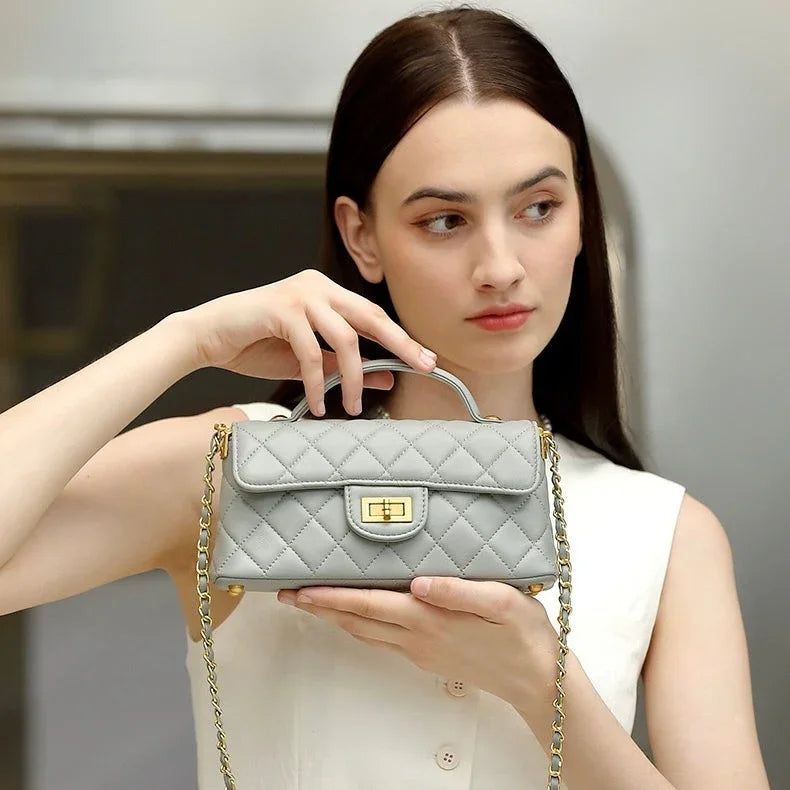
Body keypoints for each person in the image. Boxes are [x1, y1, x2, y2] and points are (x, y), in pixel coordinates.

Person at [0, 6, 770, 790]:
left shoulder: (665, 533)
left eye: (538, 207)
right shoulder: (240, 470)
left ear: (582, 217)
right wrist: (184, 341)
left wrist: (543, 688)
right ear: (362, 236)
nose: (501, 265)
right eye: (445, 220)